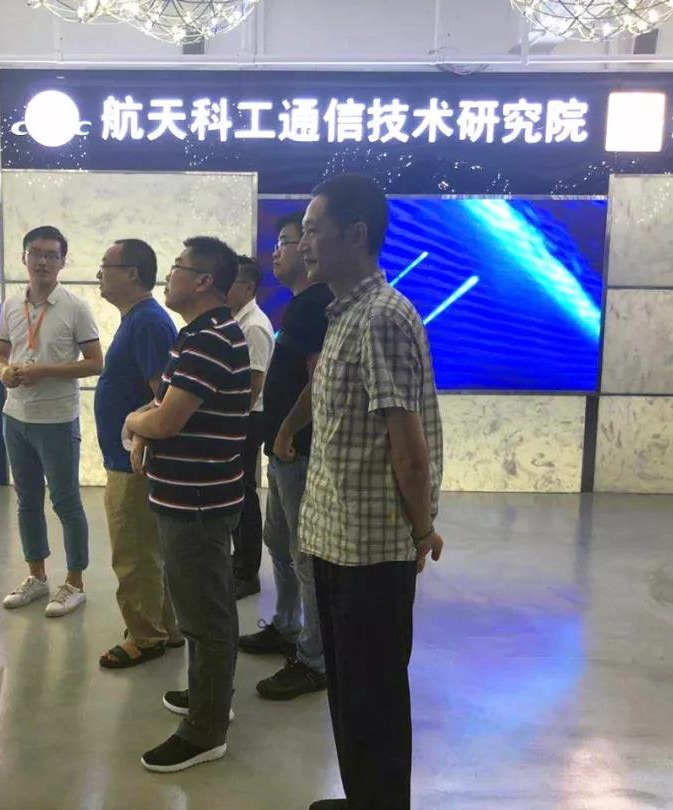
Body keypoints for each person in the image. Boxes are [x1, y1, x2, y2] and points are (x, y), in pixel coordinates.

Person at [277, 175, 445, 810]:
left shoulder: (381, 319)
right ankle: (363, 798)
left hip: (371, 552)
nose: (303, 243)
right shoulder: (344, 313)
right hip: (335, 538)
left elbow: (408, 447)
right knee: (349, 689)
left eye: (313, 230)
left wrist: (422, 529)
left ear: (356, 235)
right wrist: (287, 429)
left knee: (374, 695)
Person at [124, 236, 249, 773]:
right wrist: (146, 424)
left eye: (177, 267)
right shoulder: (194, 335)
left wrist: (134, 423)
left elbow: (166, 418)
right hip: (187, 497)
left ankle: (206, 729)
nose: (168, 275)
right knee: (201, 608)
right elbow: (163, 404)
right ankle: (208, 695)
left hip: (198, 503)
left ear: (203, 281)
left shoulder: (210, 340)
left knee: (204, 616)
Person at [238, 211, 334, 702]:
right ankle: (286, 624)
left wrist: (287, 431)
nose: (277, 251)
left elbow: (320, 382)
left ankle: (314, 658)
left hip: (297, 449)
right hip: (282, 451)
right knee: (278, 540)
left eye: (287, 241)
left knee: (302, 552)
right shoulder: (299, 306)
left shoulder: (314, 306)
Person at [0, 225, 103, 618]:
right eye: (35, 253)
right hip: (15, 417)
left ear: (62, 261)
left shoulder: (75, 307)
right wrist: (2, 372)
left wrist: (46, 371)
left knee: (66, 502)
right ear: (23, 257)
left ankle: (74, 583)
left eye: (51, 255)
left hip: (56, 420)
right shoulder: (11, 305)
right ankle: (37, 576)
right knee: (26, 501)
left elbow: (95, 362)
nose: (42, 261)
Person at [93, 238, 184, 669]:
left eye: (106, 265)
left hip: (134, 462)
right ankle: (164, 626)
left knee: (132, 553)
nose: (99, 273)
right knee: (147, 549)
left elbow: (163, 398)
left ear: (131, 273)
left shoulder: (147, 322)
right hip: (128, 458)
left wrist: (137, 433)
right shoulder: (139, 319)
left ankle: (145, 637)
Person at [227, 255, 276, 599]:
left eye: (230, 281)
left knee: (243, 495)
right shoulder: (236, 320)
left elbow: (254, 386)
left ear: (248, 288)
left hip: (248, 418)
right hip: (239, 418)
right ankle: (238, 561)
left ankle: (247, 573)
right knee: (235, 493)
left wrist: (230, 424)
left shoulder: (254, 326)